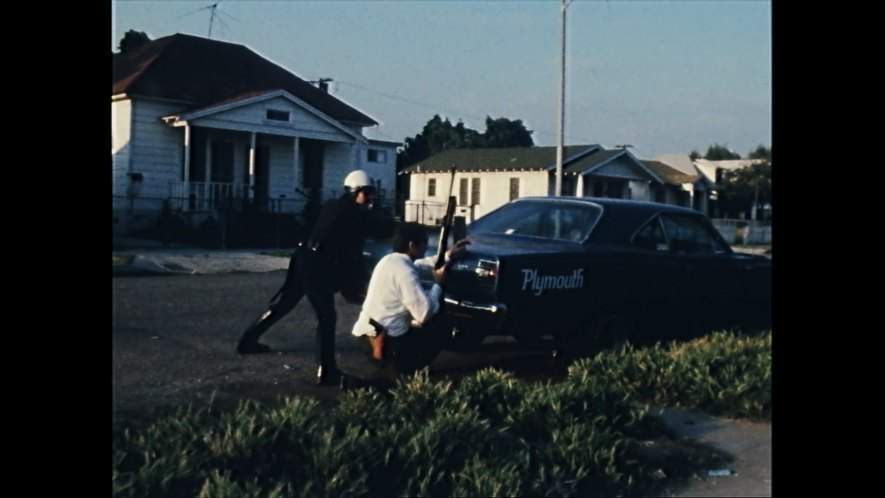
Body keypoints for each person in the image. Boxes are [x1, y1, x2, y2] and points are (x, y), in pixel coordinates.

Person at [236, 169, 394, 385]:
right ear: (355, 191)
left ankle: (248, 340)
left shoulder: (332, 205)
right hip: (317, 265)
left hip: (303, 257)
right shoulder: (354, 213)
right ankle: (327, 370)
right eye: (367, 193)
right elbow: (373, 237)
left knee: (284, 303)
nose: (370, 198)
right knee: (327, 316)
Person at [349, 222, 470, 384]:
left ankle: (388, 371)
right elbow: (424, 314)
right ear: (412, 245)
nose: (427, 247)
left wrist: (448, 255)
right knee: (440, 328)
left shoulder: (390, 260)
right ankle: (401, 370)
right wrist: (438, 284)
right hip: (386, 340)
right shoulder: (405, 271)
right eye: (425, 243)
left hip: (365, 332)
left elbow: (418, 265)